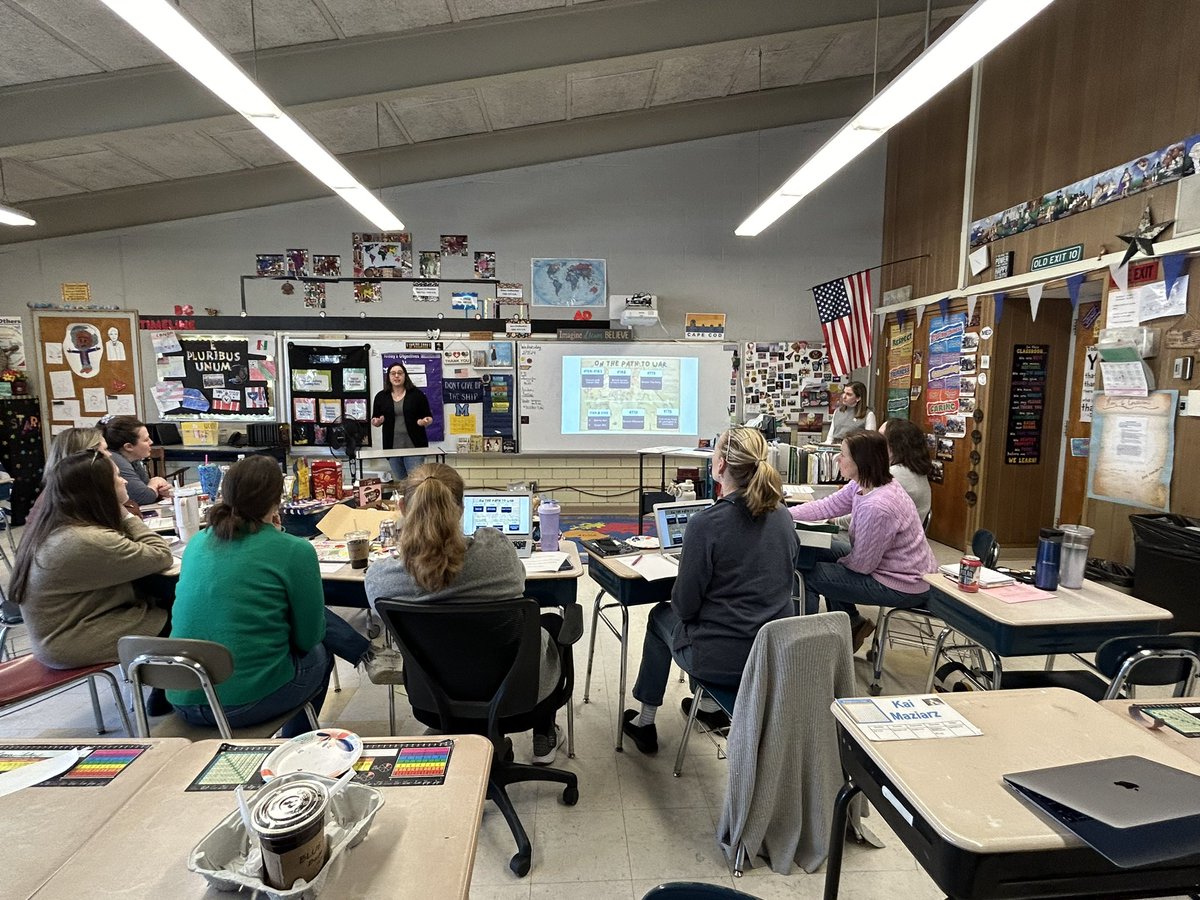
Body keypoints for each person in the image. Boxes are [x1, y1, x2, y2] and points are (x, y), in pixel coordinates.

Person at [169, 456, 393, 736]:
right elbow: (309, 638)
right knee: (320, 653)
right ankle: (296, 742)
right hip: (244, 703)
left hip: (183, 696)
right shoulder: (293, 550)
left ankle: (364, 654)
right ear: (278, 500)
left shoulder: (199, 542)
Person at [364, 463, 566, 765]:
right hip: (515, 695)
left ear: (402, 506)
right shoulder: (497, 552)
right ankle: (543, 728)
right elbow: (519, 583)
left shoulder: (381, 580)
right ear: (460, 509)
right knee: (552, 622)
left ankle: (452, 722)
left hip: (432, 699)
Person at [621, 427, 799, 756]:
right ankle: (707, 707)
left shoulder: (705, 524)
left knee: (661, 616)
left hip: (721, 658)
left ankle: (645, 721)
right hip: (772, 655)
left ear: (719, 466)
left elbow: (686, 607)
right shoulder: (784, 517)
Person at [8, 449, 174, 669]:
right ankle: (169, 697)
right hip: (77, 640)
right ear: (101, 490)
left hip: (75, 626)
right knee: (190, 616)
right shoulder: (83, 539)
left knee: (170, 596)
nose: (124, 480)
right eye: (117, 476)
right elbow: (161, 554)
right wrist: (124, 512)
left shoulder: (61, 524)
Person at [792, 431, 936, 652]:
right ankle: (852, 621)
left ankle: (803, 646)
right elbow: (826, 506)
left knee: (808, 576)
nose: (837, 459)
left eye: (842, 455)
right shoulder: (865, 482)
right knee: (816, 552)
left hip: (902, 583)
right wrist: (784, 513)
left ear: (861, 461)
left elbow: (862, 565)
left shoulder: (877, 506)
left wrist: (837, 566)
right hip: (889, 567)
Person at [370, 362, 433, 482]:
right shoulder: (381, 396)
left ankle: (414, 502)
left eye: (400, 373)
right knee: (401, 481)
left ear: (405, 376)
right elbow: (375, 418)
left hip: (414, 447)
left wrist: (424, 421)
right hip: (392, 447)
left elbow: (428, 417)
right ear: (388, 377)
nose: (396, 376)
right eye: (393, 373)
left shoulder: (417, 395)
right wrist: (377, 421)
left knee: (415, 482)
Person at [98, 415, 172, 506]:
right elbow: (144, 496)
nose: (151, 442)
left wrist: (160, 491)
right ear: (128, 447)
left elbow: (146, 487)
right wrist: (155, 482)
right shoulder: (115, 460)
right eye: (146, 440)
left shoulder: (133, 459)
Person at [880, 417, 933, 525]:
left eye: (880, 439)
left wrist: (836, 520)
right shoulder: (912, 470)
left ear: (896, 445)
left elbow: (865, 513)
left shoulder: (896, 474)